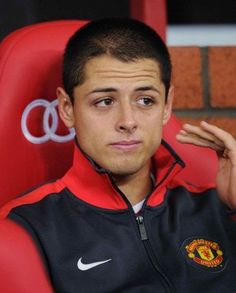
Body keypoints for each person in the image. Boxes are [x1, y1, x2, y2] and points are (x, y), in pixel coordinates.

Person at [1, 18, 236, 292]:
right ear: (66, 108)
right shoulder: (26, 228)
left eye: (145, 100)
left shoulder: (219, 206)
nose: (128, 121)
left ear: (166, 106)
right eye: (105, 101)